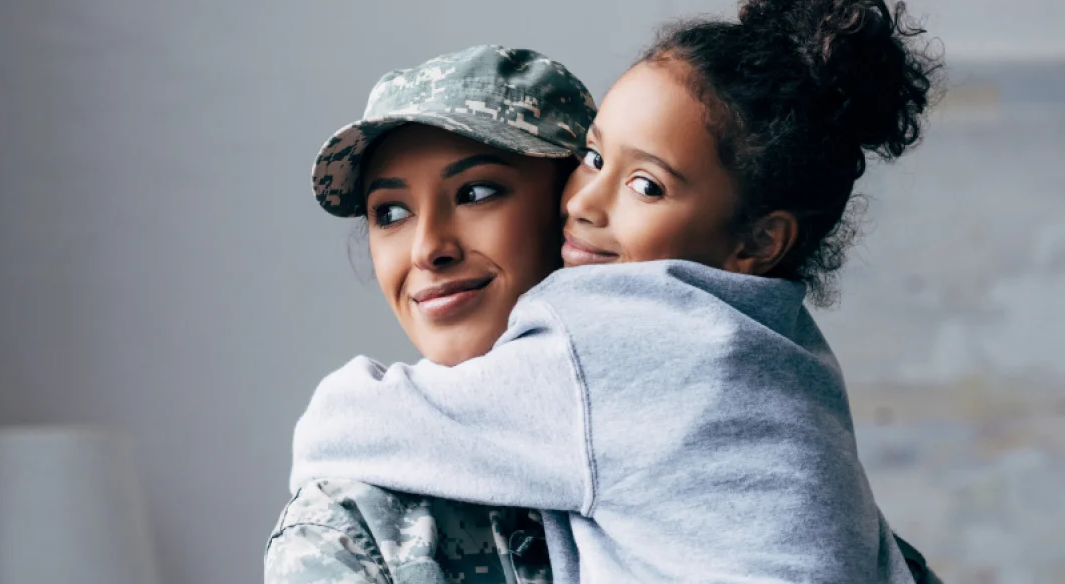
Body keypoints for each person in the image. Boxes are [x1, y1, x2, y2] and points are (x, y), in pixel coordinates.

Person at [290, 1, 944, 582]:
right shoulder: (787, 354)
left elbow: (347, 423)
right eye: (595, 160)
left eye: (646, 186)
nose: (585, 203)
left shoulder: (614, 346)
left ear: (759, 242)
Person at [265, 44, 595, 583]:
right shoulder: (348, 524)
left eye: (477, 192)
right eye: (390, 213)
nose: (427, 248)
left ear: (579, 205)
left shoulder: (709, 426)